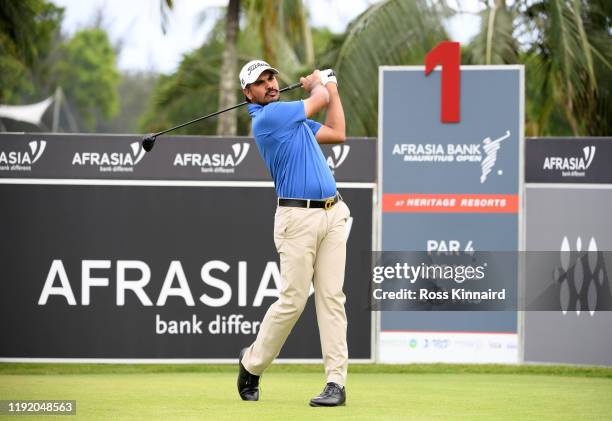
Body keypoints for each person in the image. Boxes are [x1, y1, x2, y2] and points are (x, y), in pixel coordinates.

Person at [236, 59, 350, 407]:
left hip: (334, 213)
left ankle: (336, 383)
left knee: (332, 298)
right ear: (248, 94)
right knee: (293, 301)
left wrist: (331, 86)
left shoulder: (294, 120)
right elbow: (316, 101)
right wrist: (317, 83)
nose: (270, 84)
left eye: (272, 77)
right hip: (296, 220)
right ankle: (252, 363)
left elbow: (337, 131)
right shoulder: (269, 118)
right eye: (261, 82)